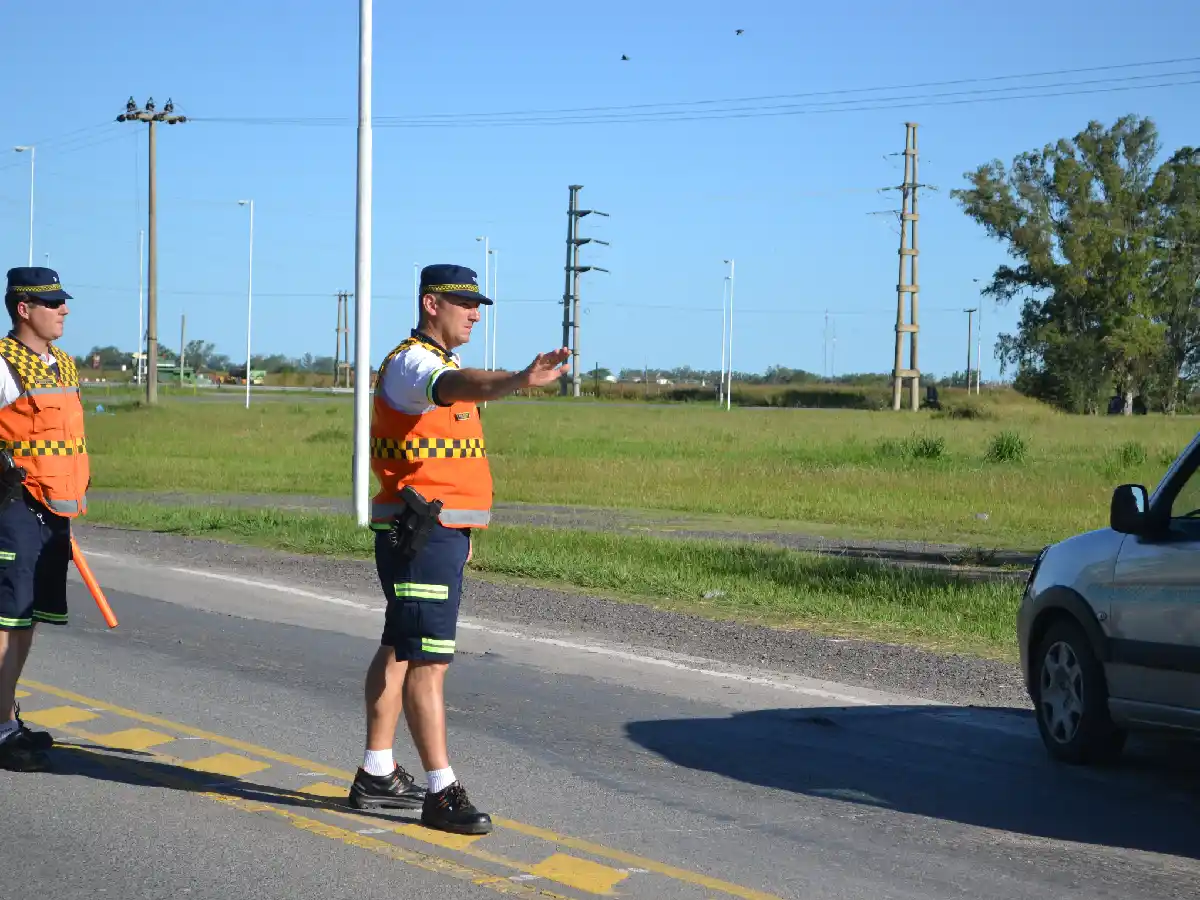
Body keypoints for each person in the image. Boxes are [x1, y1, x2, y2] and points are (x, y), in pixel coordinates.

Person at [347, 263, 568, 834]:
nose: (475, 314)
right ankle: (441, 791)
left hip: (435, 533)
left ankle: (377, 772)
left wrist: (460, 534)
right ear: (430, 304)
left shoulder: (435, 364)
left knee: (401, 647)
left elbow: (448, 457)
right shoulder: (415, 364)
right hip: (422, 534)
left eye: (478, 306)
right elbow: (458, 385)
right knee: (429, 661)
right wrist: (518, 379)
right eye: (464, 304)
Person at [0, 267, 89, 772]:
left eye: (62, 301)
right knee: (6, 620)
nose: (64, 310)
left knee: (26, 620)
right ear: (23, 309)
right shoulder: (2, 363)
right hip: (13, 507)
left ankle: (5, 721)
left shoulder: (64, 365)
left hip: (55, 510)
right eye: (53, 302)